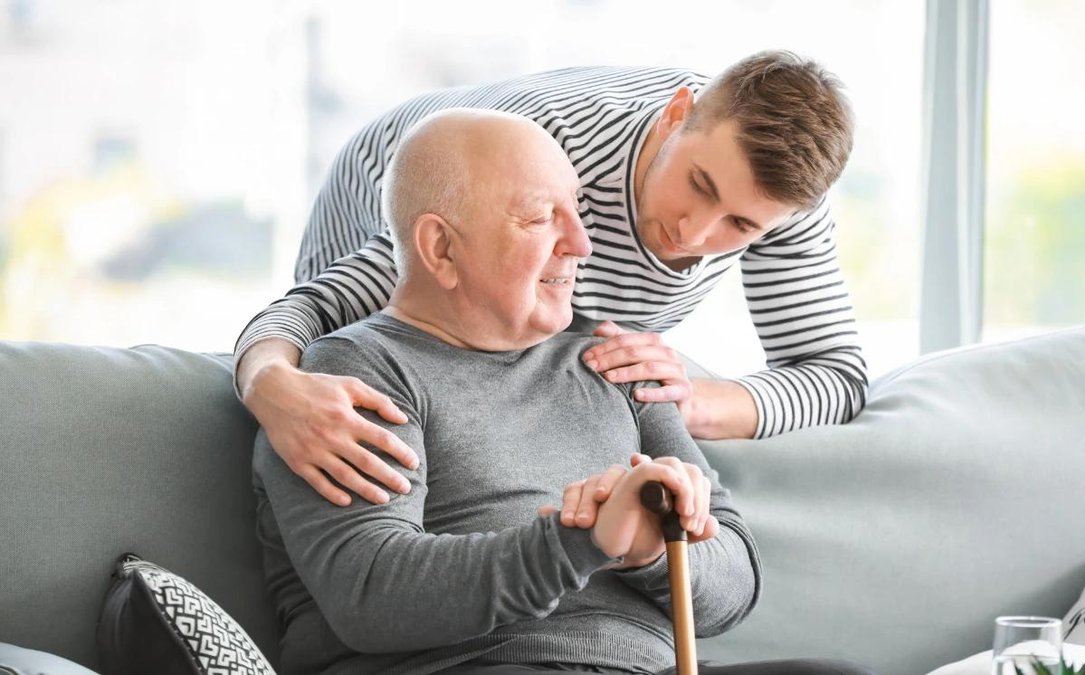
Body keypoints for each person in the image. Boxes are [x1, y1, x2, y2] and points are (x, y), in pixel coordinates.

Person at [252, 110, 874, 675]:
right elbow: (371, 595)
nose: (581, 244)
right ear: (441, 248)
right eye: (539, 218)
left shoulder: (612, 361)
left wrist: (651, 548)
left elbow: (733, 585)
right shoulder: (348, 379)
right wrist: (584, 539)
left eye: (575, 209)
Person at [239, 50, 869, 509]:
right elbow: (312, 309)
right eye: (699, 186)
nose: (696, 233)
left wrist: (698, 401)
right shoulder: (553, 161)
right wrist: (270, 385)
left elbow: (836, 374)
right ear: (677, 115)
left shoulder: (785, 198)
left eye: (740, 224)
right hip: (394, 172)